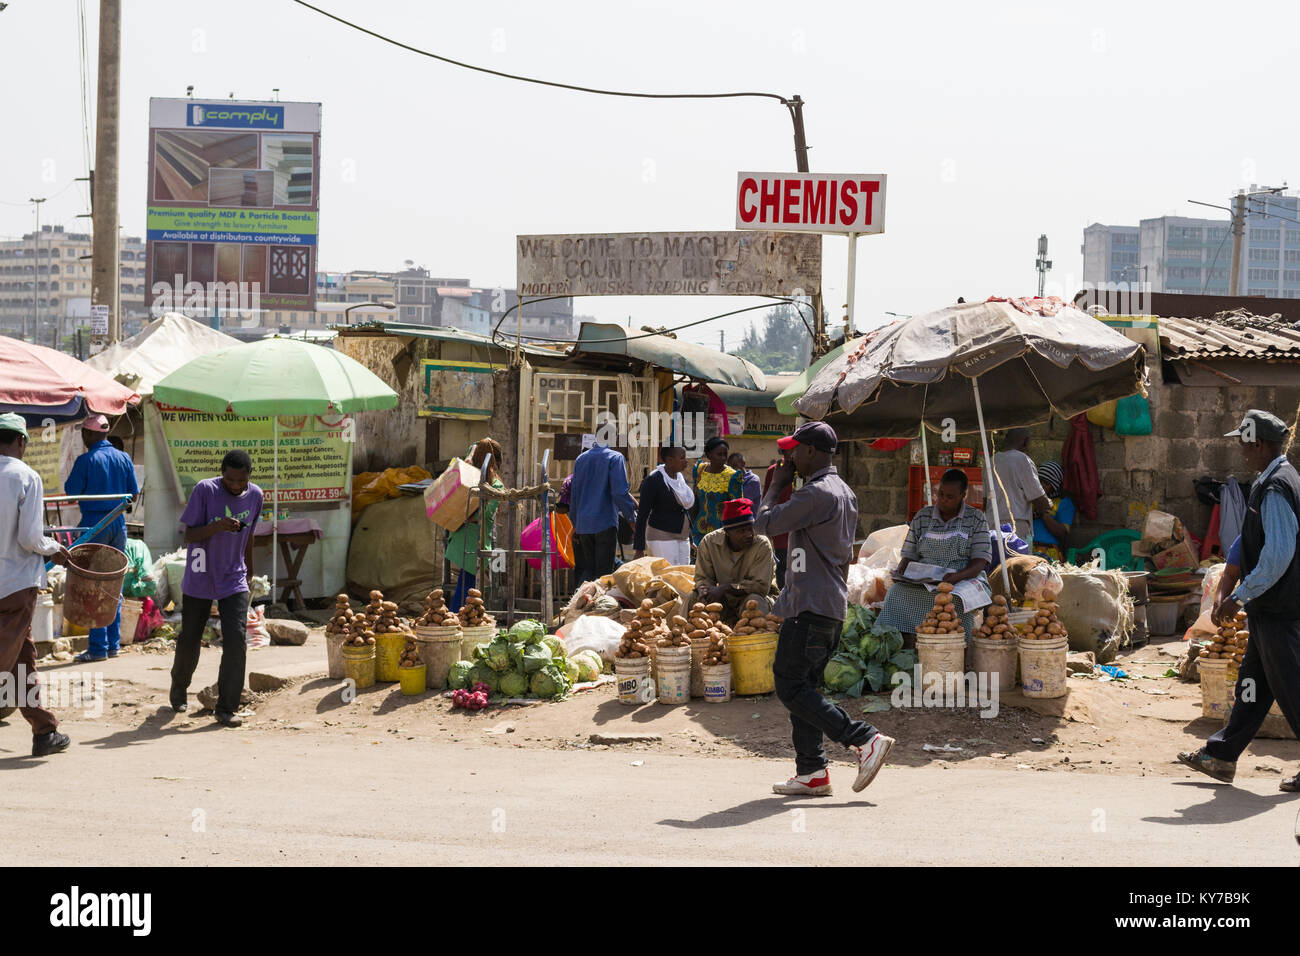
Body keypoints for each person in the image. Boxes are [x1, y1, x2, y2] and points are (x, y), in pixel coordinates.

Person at [755, 421, 895, 796]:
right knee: (806, 689)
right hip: (826, 604)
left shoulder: (815, 494)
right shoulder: (842, 490)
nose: (789, 458)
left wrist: (774, 486)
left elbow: (763, 523)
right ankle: (812, 771)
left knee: (789, 686)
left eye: (794, 451)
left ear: (812, 452)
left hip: (810, 605)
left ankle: (863, 738)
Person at [1179, 409, 1300, 791]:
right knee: (1251, 686)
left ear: (1259, 444)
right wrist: (1230, 576)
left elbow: (1278, 553)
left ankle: (1222, 755)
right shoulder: (1268, 481)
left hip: (1280, 611)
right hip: (1267, 612)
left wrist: (1240, 596)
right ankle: (1222, 756)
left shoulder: (1278, 485)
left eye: (1244, 443)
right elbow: (1248, 539)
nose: (1241, 450)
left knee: (1294, 691)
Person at [169, 450, 263, 727]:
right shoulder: (205, 490)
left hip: (233, 576)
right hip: (201, 572)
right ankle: (179, 686)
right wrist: (217, 527)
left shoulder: (256, 495)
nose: (235, 485)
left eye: (240, 481)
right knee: (190, 637)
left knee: (236, 641)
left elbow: (249, 537)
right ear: (222, 474)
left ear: (249, 477)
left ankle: (226, 707)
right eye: (230, 479)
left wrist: (250, 572)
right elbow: (190, 534)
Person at [0, 413, 72, 757]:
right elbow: (30, 537)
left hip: (11, 584)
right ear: (21, 442)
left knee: (23, 659)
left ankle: (44, 731)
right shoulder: (24, 476)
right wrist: (54, 548)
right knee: (5, 658)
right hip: (14, 584)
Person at [877, 469, 992, 640]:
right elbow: (909, 554)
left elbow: (980, 560)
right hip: (924, 578)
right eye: (941, 494)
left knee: (956, 600)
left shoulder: (976, 518)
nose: (944, 500)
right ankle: (904, 643)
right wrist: (900, 572)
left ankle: (960, 646)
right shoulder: (923, 516)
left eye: (950, 496)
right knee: (896, 592)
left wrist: (958, 576)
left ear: (963, 495)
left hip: (963, 577)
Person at [64, 415, 138, 663]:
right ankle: (112, 645)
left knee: (93, 585)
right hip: (118, 524)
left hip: (94, 524)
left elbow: (71, 491)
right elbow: (134, 494)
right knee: (113, 583)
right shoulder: (124, 458)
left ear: (89, 434)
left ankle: (97, 648)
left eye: (84, 434)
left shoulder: (86, 460)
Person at [693, 499, 777, 623]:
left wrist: (726, 588)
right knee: (694, 599)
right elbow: (703, 577)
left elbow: (760, 586)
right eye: (741, 531)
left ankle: (757, 640)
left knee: (754, 603)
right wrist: (703, 589)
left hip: (758, 597)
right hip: (724, 600)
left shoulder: (762, 544)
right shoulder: (709, 542)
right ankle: (687, 639)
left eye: (750, 529)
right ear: (726, 532)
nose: (748, 534)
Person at [446, 438, 505, 612]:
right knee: (468, 585)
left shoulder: (468, 477)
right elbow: (486, 515)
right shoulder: (495, 484)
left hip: (457, 537)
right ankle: (454, 616)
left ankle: (456, 616)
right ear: (497, 460)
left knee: (466, 583)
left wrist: (474, 451)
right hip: (475, 542)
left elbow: (468, 456)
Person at [569, 440, 636, 585]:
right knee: (604, 573)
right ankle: (597, 606)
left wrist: (575, 524)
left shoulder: (581, 459)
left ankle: (579, 603)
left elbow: (574, 494)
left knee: (590, 570)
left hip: (584, 524)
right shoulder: (615, 457)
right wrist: (631, 519)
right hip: (605, 522)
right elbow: (619, 492)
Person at [634, 446, 694, 566]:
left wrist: (691, 539)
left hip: (682, 536)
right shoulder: (653, 480)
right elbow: (642, 515)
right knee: (669, 576)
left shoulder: (681, 480)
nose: (686, 461)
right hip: (661, 536)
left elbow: (683, 510)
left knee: (684, 574)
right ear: (669, 460)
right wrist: (639, 549)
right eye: (682, 458)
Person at [990, 427, 1049, 548]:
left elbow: (986, 501)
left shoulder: (991, 461)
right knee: (1018, 566)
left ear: (1006, 439)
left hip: (992, 530)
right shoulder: (1023, 460)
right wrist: (1049, 504)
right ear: (1026, 441)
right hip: (1016, 532)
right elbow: (1039, 500)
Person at [691, 437, 744, 544]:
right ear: (709, 455)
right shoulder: (700, 470)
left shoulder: (732, 476)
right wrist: (689, 528)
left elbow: (737, 508)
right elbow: (695, 501)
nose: (723, 458)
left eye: (725, 454)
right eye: (719, 454)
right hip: (698, 532)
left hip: (721, 533)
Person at [1031, 461, 1075, 563]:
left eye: (1046, 483)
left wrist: (1044, 513)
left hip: (1048, 554)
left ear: (1054, 487)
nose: (1041, 486)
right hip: (1026, 551)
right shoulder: (1029, 501)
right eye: (1039, 481)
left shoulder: (1063, 503)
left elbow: (1062, 533)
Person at [763, 453, 795, 588]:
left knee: (799, 569)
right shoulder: (774, 471)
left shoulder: (806, 471)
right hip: (781, 531)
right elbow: (767, 498)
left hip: (800, 531)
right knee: (782, 567)